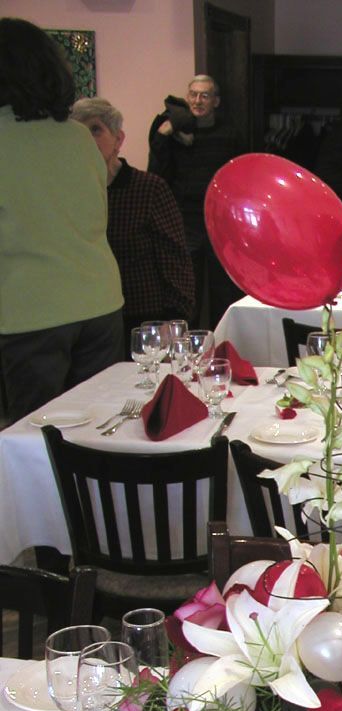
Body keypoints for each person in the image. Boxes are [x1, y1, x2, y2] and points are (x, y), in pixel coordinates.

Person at [0, 18, 123, 421]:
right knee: (99, 430)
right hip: (98, 298)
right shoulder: (76, 136)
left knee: (35, 436)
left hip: (31, 309)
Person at [71, 97, 195, 357]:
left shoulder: (148, 189)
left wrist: (174, 319)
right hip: (86, 320)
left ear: (118, 139)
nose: (86, 139)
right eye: (78, 131)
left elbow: (175, 258)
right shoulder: (68, 193)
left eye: (95, 129)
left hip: (144, 320)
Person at [148, 75, 242, 329]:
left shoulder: (229, 133)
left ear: (216, 101)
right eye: (193, 94)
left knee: (223, 290)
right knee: (188, 288)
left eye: (204, 95)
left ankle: (223, 344)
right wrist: (167, 133)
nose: (197, 101)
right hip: (184, 219)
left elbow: (237, 178)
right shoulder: (171, 129)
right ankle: (186, 348)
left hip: (218, 220)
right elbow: (157, 170)